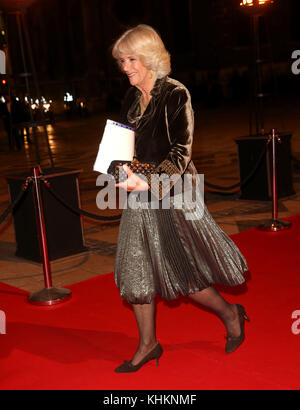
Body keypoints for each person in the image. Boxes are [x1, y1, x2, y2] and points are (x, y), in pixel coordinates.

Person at [111, 24, 249, 373]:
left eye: (132, 59)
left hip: (173, 194)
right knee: (137, 270)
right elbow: (119, 145)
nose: (126, 66)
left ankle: (231, 313)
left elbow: (180, 152)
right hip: (139, 196)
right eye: (122, 60)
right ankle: (148, 344)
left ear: (150, 57)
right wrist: (118, 172)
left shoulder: (175, 94)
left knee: (185, 275)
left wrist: (148, 184)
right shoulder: (130, 98)